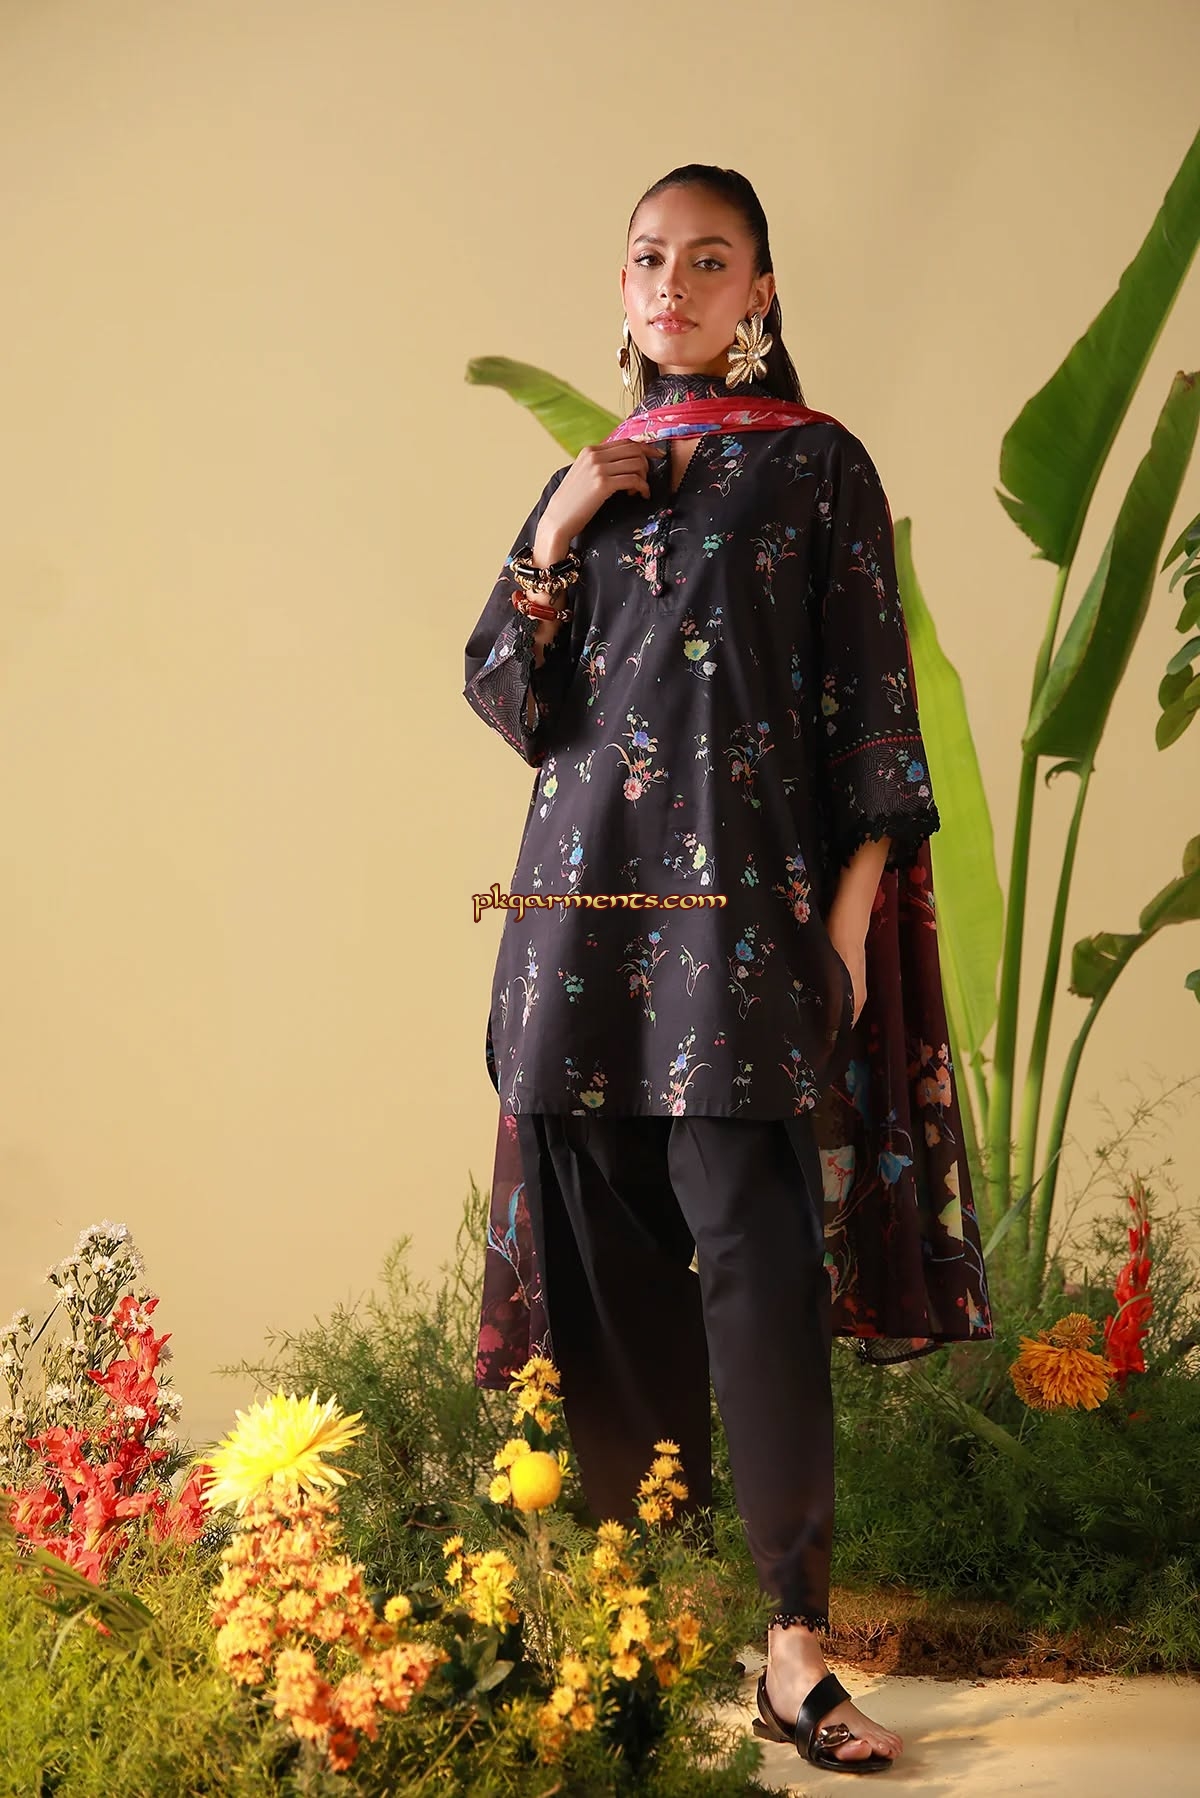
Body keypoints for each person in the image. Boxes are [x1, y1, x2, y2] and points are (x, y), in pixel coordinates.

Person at [463, 164, 992, 1774]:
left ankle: (792, 1647)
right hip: (577, 930)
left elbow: (877, 724)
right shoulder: (591, 484)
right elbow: (509, 697)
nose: (674, 286)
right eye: (650, 259)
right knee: (608, 1289)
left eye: (709, 261)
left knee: (758, 1271)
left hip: (740, 939)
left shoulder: (818, 467)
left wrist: (843, 939)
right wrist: (561, 523)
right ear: (620, 286)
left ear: (759, 290)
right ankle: (640, 1626)